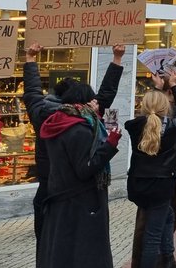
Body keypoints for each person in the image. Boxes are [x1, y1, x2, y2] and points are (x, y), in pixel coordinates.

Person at [32, 73, 121, 268]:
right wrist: (111, 145)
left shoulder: (54, 124)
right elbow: (86, 168)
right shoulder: (79, 129)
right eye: (92, 100)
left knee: (55, 260)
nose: (96, 104)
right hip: (80, 203)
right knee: (75, 261)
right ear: (82, 102)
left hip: (58, 199)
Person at [24, 43, 125, 241]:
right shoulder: (84, 119)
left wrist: (30, 59)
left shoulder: (42, 114)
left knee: (46, 248)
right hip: (75, 194)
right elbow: (106, 95)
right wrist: (117, 58)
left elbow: (32, 92)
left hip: (46, 189)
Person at [125, 75, 176, 268]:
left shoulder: (133, 127)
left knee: (167, 218)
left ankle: (170, 262)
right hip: (160, 185)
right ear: (165, 109)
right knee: (153, 236)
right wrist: (173, 86)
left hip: (139, 185)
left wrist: (157, 89)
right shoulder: (171, 127)